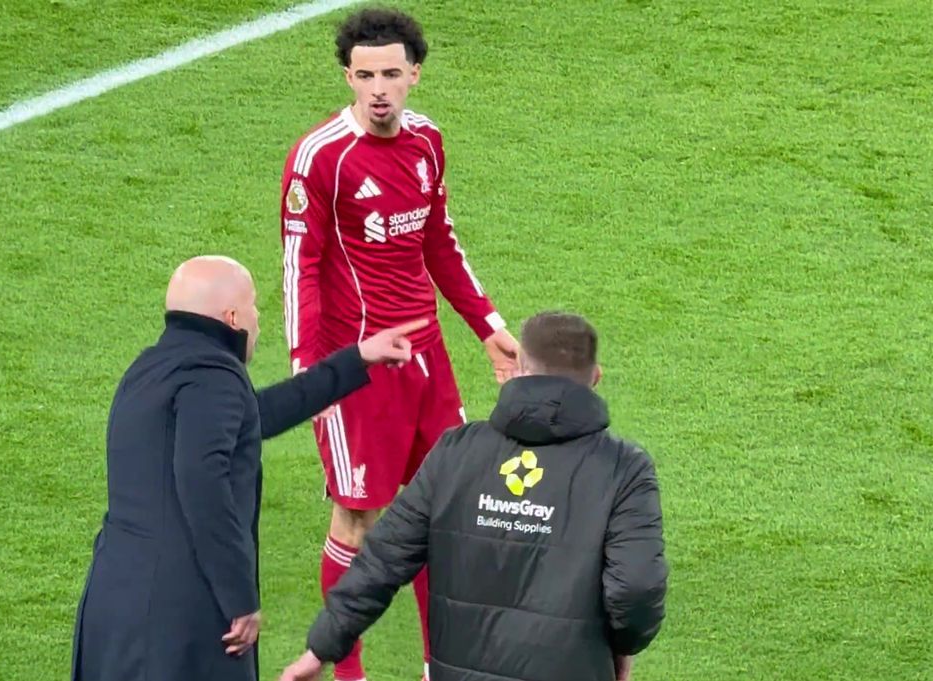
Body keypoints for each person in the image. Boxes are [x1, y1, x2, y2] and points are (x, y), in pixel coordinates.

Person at [279, 8, 519, 680]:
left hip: (426, 359)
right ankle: (348, 674)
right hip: (354, 367)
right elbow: (300, 269)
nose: (378, 87)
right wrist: (308, 372)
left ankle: (437, 665)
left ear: (414, 73)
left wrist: (488, 325)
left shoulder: (427, 142)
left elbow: (437, 240)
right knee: (357, 517)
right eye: (364, 75)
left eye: (390, 73)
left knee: (445, 512)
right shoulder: (319, 158)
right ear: (347, 77)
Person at [70, 255, 426, 681]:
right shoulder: (214, 377)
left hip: (112, 606)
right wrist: (239, 597)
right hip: (180, 619)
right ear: (233, 317)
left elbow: (254, 415)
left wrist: (357, 359)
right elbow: (202, 482)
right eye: (255, 306)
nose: (260, 319)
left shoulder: (149, 370)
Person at [278, 311, 669, 681]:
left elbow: (382, 559)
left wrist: (320, 651)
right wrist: (620, 649)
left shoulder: (456, 451)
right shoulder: (624, 468)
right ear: (596, 377)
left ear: (518, 370)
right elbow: (635, 587)